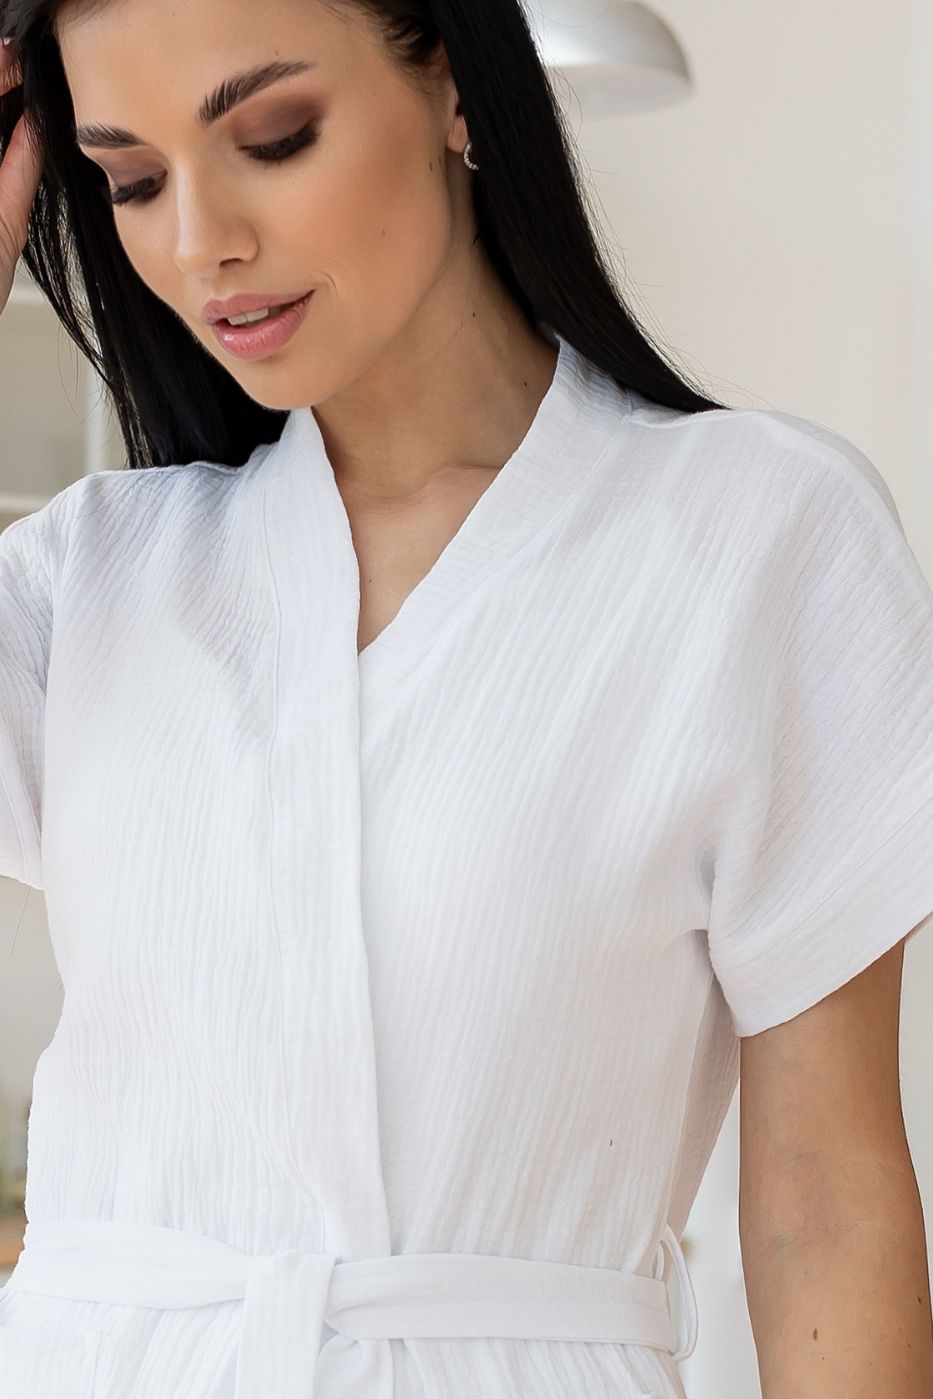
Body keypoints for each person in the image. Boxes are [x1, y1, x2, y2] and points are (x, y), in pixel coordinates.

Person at [0, 3, 932, 1398]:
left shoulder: (753, 537)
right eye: (130, 180)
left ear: (448, 83)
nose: (199, 243)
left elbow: (825, 1207)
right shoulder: (90, 578)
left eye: (274, 137)